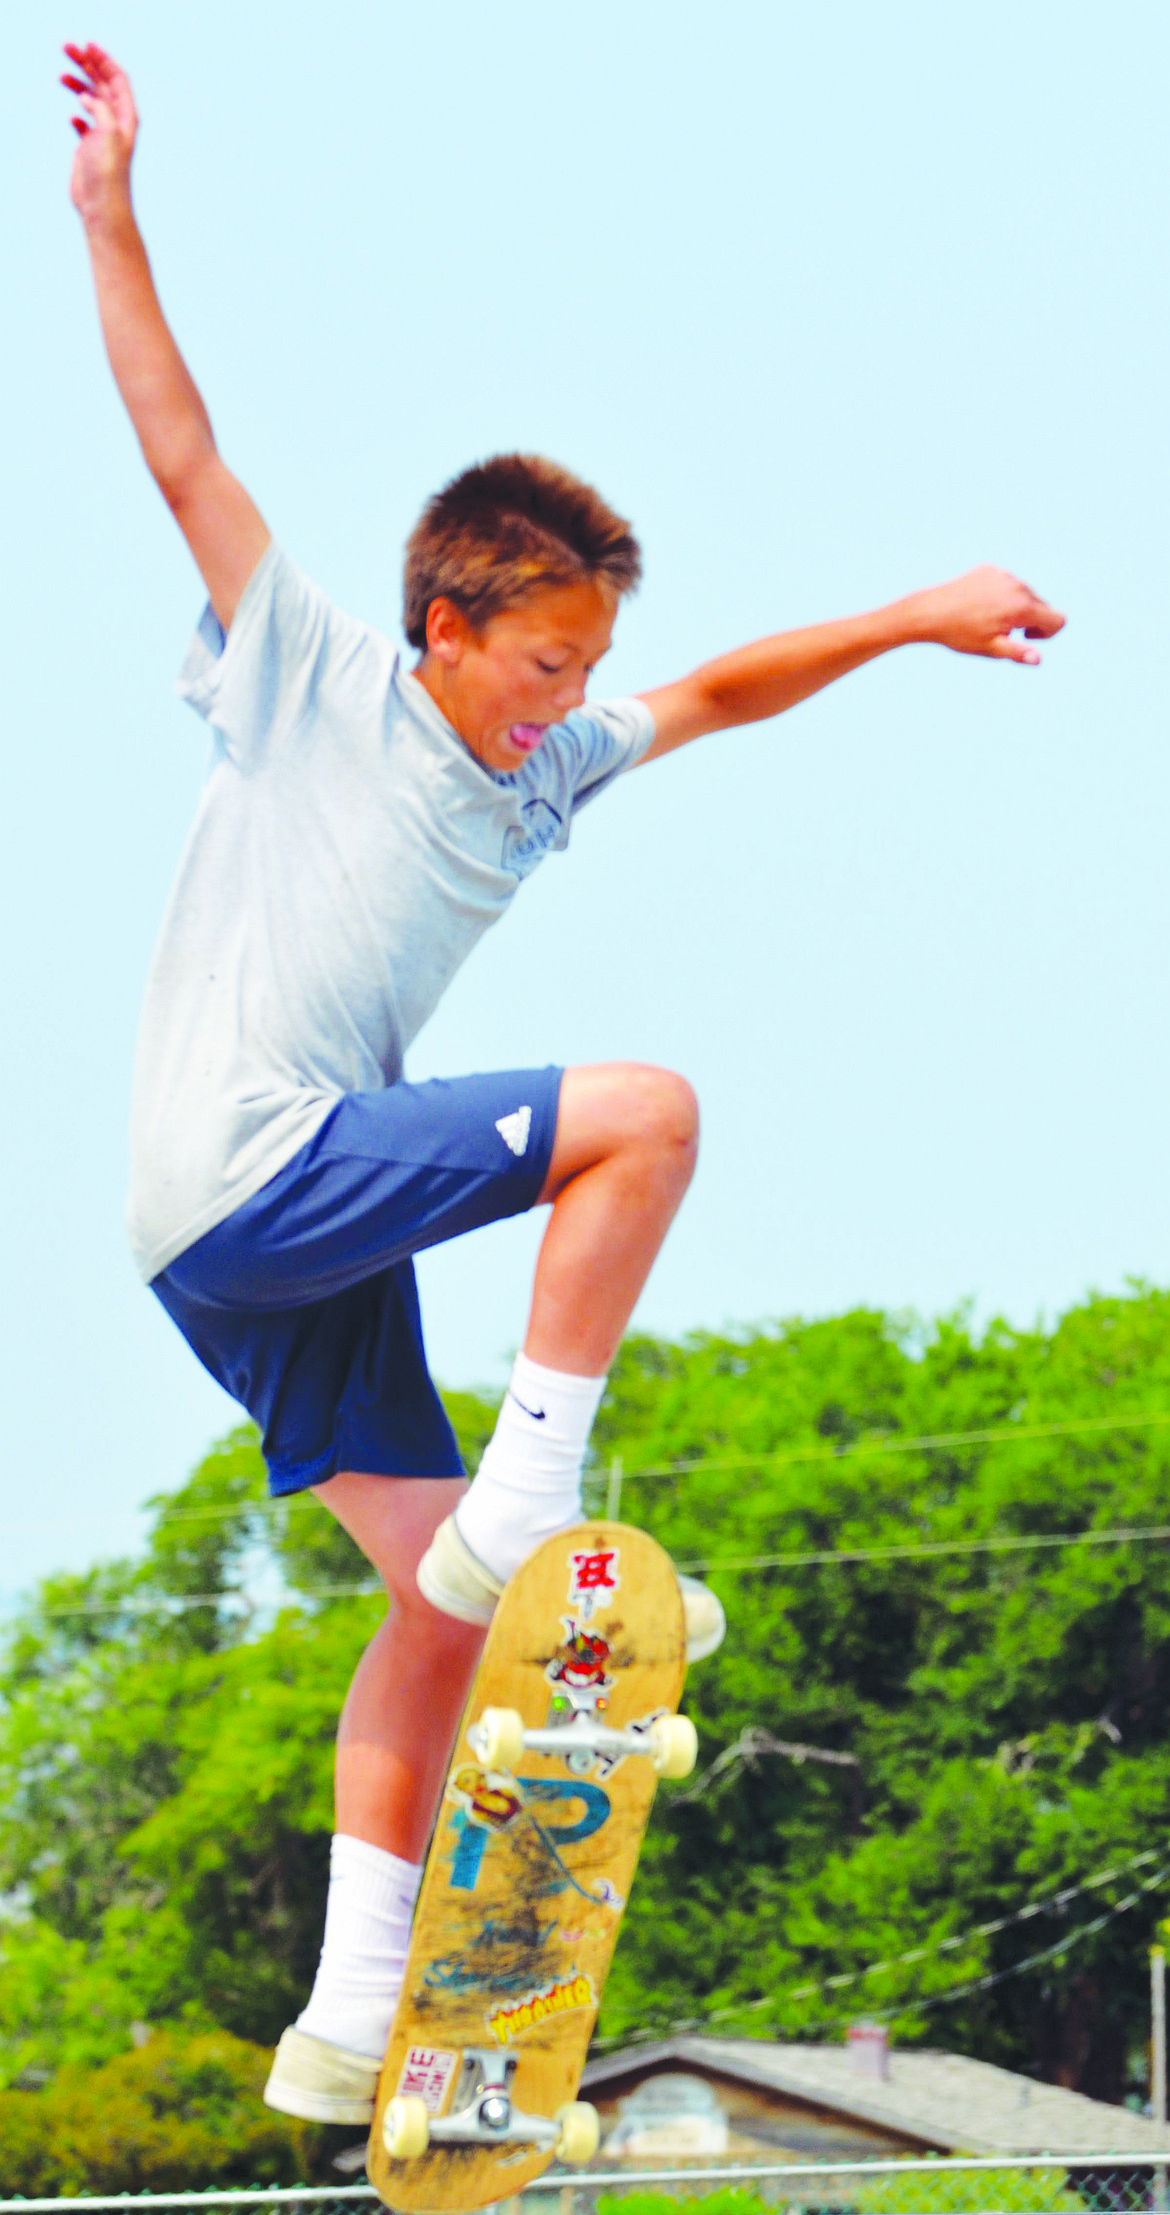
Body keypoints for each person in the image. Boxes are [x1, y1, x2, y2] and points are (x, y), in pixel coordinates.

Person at [62, 40, 1064, 2126]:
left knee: (442, 1616)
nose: (565, 709)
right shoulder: (315, 670)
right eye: (539, 667)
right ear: (443, 624)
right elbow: (181, 449)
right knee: (648, 1111)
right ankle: (536, 1488)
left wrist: (908, 617)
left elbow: (715, 692)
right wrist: (109, 214)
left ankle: (346, 2020)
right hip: (259, 1164)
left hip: (236, 1240)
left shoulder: (555, 770)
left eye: (583, 672)